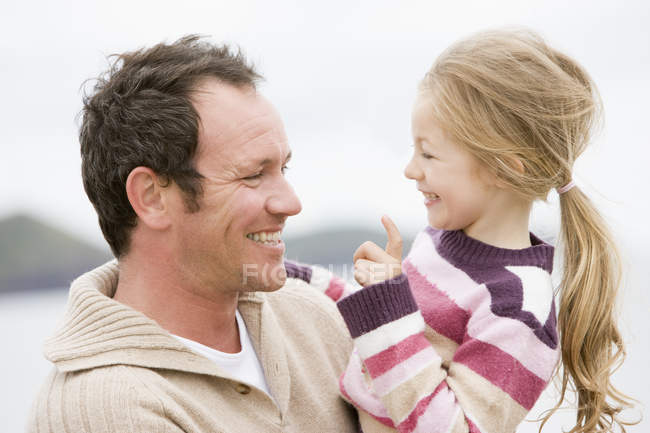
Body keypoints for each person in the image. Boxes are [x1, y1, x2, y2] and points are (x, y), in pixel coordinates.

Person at [297, 29, 636, 433]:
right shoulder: (441, 244)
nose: (411, 169)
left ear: (504, 168)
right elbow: (393, 336)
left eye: (428, 153)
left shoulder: (516, 310)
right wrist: (306, 280)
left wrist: (388, 306)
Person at [27, 36, 358, 433]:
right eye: (253, 175)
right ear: (151, 198)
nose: (290, 203)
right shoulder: (104, 408)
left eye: (282, 170)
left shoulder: (315, 315)